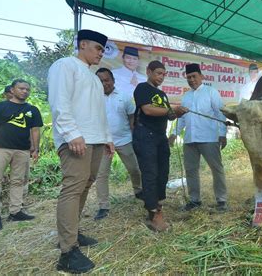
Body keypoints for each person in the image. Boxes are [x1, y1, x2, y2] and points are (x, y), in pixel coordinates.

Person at [48, 29, 115, 274]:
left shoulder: (94, 78)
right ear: (83, 44)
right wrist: (71, 133)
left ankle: (72, 233)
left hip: (95, 140)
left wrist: (107, 138)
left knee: (85, 185)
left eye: (103, 50)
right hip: (77, 139)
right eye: (98, 48)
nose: (100, 53)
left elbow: (99, 112)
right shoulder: (65, 65)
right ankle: (67, 252)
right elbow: (59, 101)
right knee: (73, 188)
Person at [132, 60, 187, 232]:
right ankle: (153, 215)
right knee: (150, 173)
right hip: (145, 136)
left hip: (160, 137)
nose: (161, 77)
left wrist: (177, 113)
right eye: (158, 73)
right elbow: (148, 110)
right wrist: (171, 110)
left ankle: (157, 205)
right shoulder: (142, 88)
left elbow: (168, 117)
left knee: (163, 173)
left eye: (163, 74)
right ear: (148, 72)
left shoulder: (162, 95)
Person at [169, 63, 228, 212]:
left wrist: (222, 134)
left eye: (194, 76)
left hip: (209, 138)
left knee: (216, 169)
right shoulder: (186, 96)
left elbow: (220, 114)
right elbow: (181, 118)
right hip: (190, 139)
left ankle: (221, 201)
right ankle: (194, 200)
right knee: (191, 170)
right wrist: (174, 134)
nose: (191, 79)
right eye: (188, 77)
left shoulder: (211, 92)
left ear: (201, 76)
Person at [0, 79, 43, 231]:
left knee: (18, 181)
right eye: (21, 88)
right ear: (12, 90)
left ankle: (15, 211)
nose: (25, 91)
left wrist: (35, 149)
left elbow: (35, 130)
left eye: (27, 89)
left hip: (22, 150)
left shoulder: (33, 110)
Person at [94, 67, 142, 220]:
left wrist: (135, 138)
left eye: (106, 80)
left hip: (124, 140)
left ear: (113, 80)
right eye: (100, 81)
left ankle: (139, 191)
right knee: (101, 175)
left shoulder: (125, 96)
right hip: (102, 143)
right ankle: (103, 206)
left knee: (135, 169)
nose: (104, 83)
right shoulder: (93, 99)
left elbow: (132, 119)